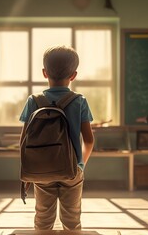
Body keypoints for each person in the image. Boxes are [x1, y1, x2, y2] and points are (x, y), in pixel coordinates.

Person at [19, 45, 95, 230]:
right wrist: (80, 165)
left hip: (41, 168)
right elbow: (89, 140)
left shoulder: (33, 101)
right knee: (72, 218)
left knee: (43, 218)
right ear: (73, 75)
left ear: (44, 73)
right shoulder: (79, 101)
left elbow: (23, 140)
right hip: (72, 169)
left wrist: (28, 170)